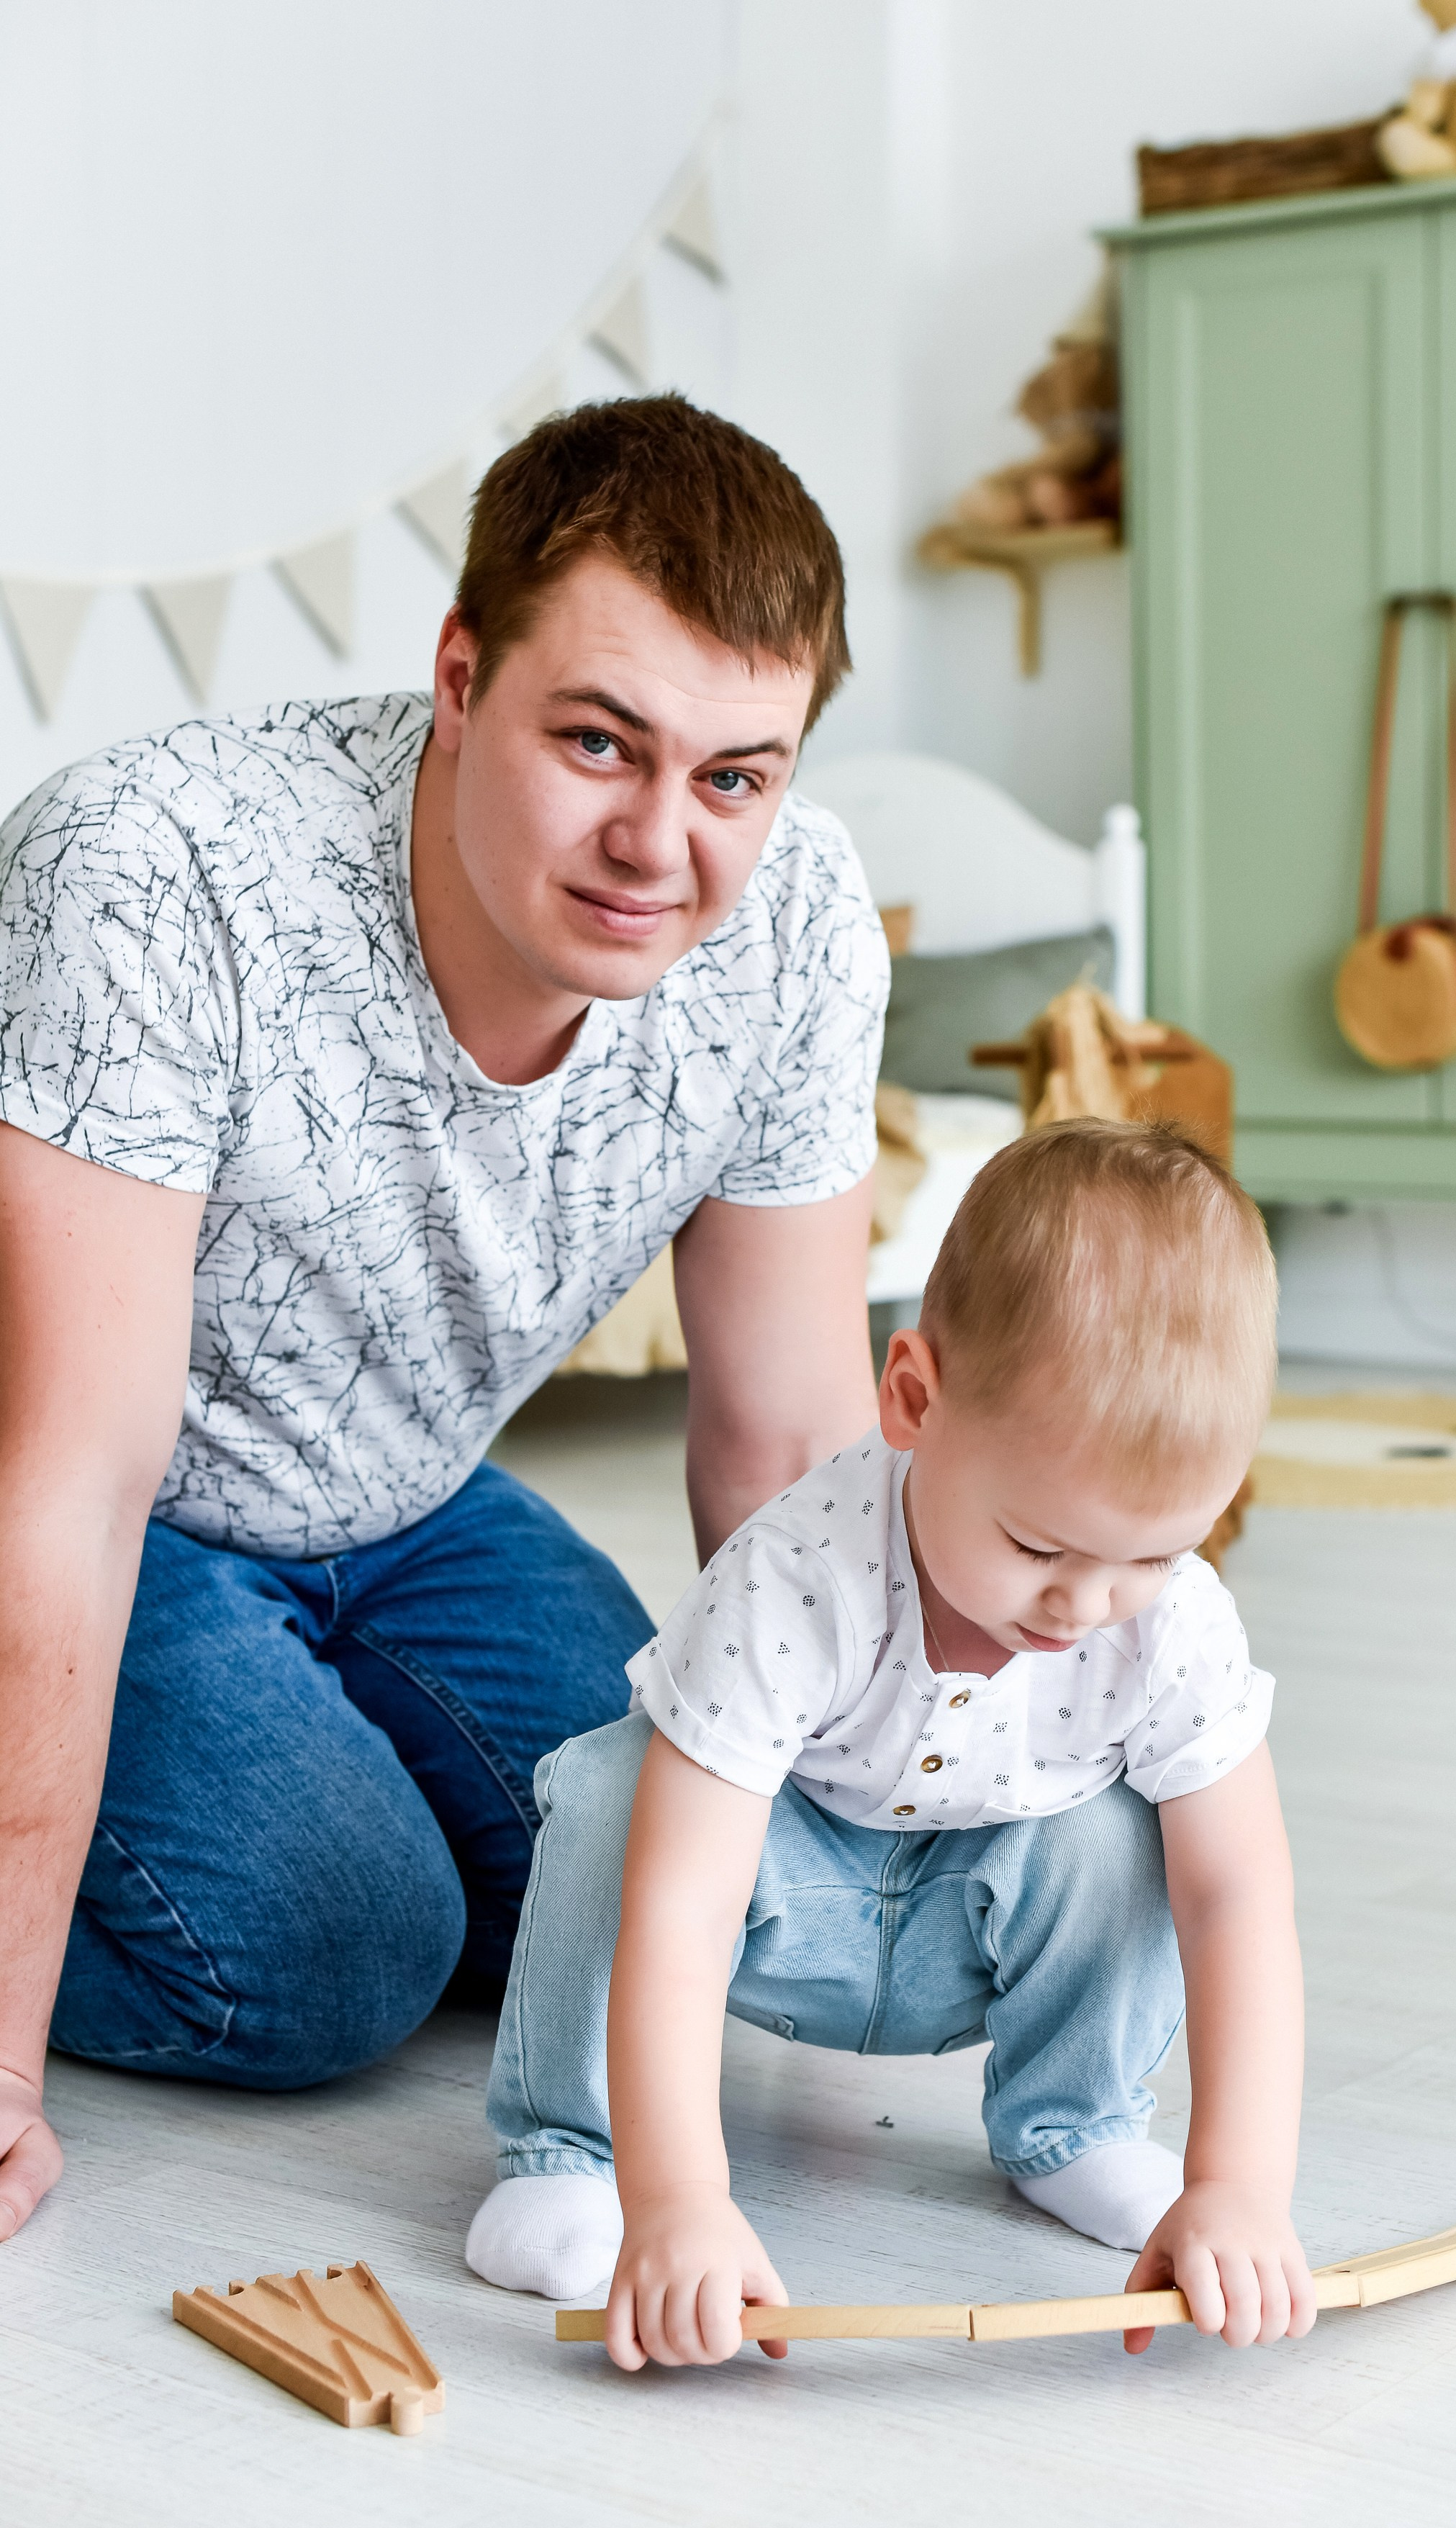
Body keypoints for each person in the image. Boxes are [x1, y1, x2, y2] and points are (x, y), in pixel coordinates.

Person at [0, 396, 890, 2245]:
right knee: (330, 1957)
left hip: (402, 1500)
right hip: (95, 1494)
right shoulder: (151, 871)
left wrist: (889, 1873)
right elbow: (69, 1479)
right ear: (462, 678)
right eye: (597, 742)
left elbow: (792, 1444)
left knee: (655, 1882)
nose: (662, 843)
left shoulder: (797, 924)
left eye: (735, 774)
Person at [467, 1119, 1316, 2361]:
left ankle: (1073, 2123)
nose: (1085, 1605)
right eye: (1039, 1546)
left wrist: (1239, 2185)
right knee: (612, 1789)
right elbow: (685, 1899)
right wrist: (682, 2203)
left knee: (1144, 1833)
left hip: (970, 1923)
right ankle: (569, 2147)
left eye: (1151, 1554)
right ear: (913, 1398)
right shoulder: (795, 1576)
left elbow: (1240, 1893)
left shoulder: (1171, 1623)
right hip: (786, 1915)